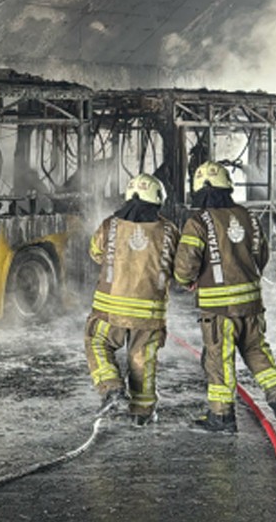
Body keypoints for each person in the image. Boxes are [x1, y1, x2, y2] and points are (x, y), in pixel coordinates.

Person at [173, 161, 276, 432]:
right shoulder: (248, 216)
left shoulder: (198, 222)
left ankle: (221, 416)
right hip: (252, 303)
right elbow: (262, 256)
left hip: (220, 309)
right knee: (256, 350)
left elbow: (184, 266)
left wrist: (187, 281)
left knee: (219, 359)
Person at [85, 173, 179, 426]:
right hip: (150, 312)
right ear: (157, 199)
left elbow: (95, 253)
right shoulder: (169, 230)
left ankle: (112, 388)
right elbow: (179, 267)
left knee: (97, 342)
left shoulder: (110, 225)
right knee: (142, 359)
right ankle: (142, 413)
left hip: (110, 309)